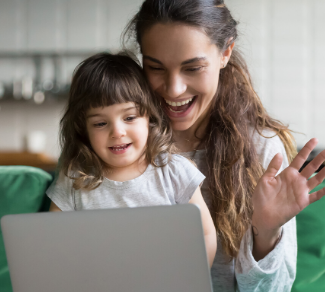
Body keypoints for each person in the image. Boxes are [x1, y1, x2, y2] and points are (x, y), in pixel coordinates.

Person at [122, 0, 325, 291]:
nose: (173, 89)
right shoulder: (122, 143)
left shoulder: (261, 150)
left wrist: (266, 234)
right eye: (156, 67)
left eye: (192, 68)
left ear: (225, 53)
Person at [46, 52, 217, 267]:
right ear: (84, 130)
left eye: (129, 117)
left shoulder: (174, 171)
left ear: (149, 118)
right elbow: (53, 243)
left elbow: (205, 235)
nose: (117, 132)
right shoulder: (74, 179)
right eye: (100, 123)